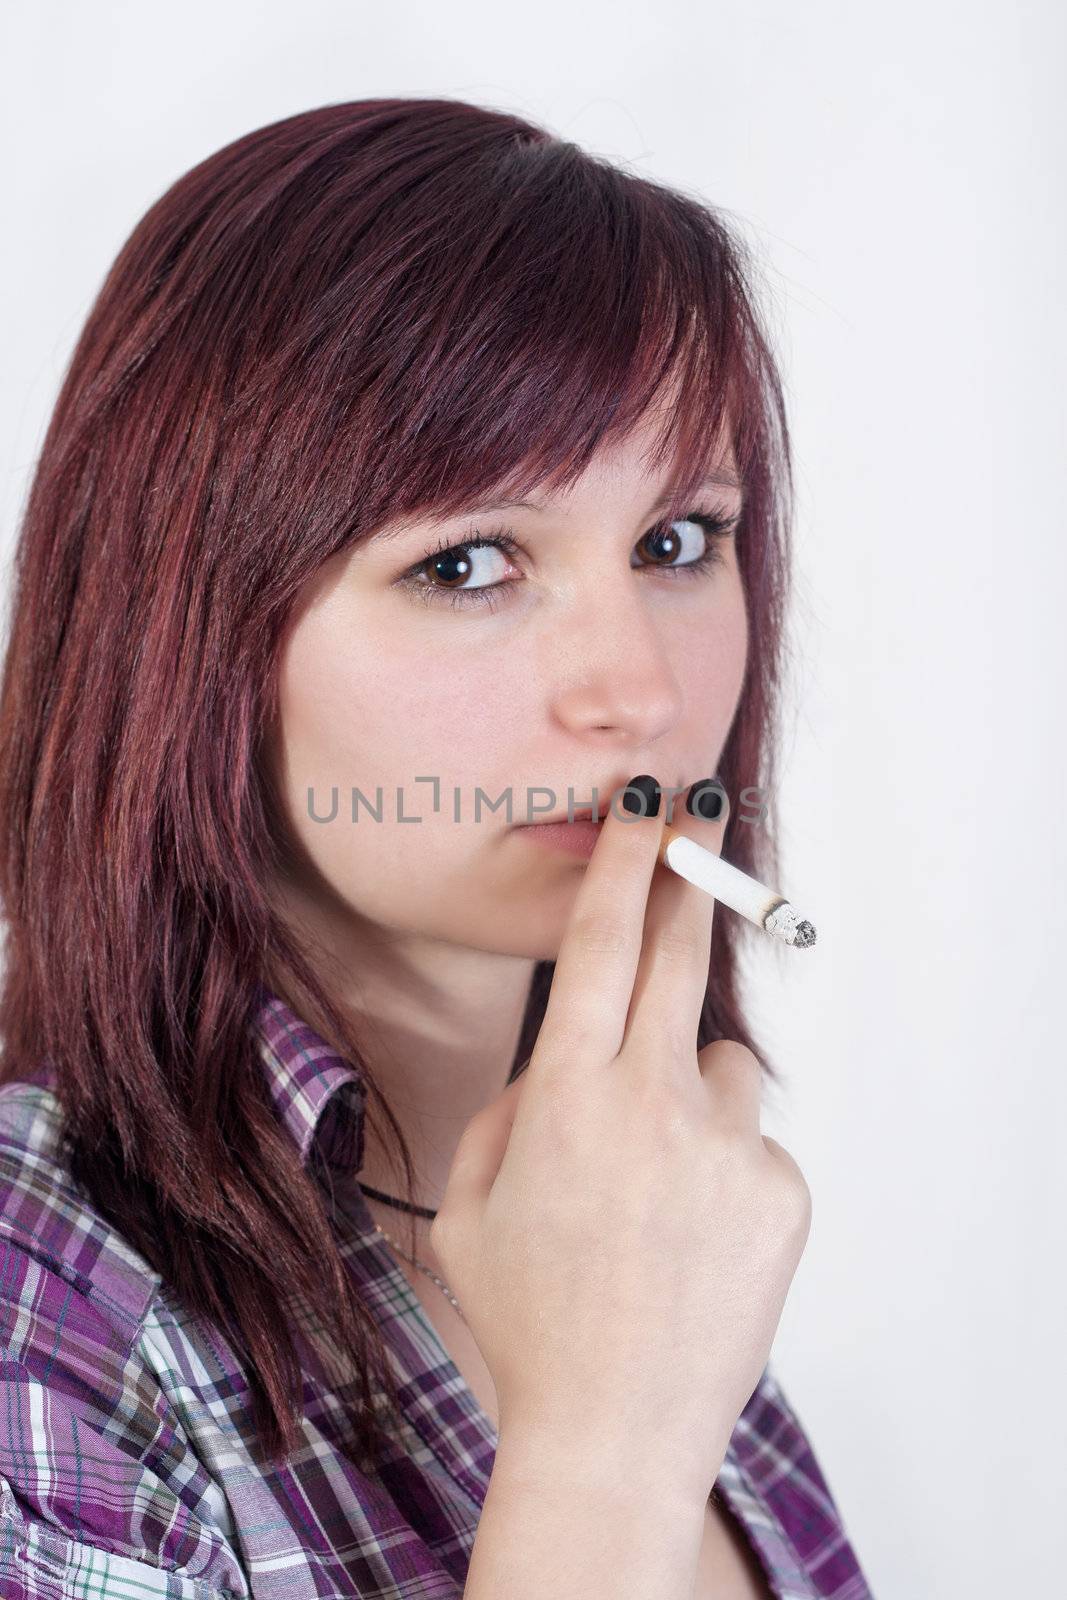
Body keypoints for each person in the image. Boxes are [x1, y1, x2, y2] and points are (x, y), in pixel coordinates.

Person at [0, 97, 875, 1598]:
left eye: (678, 544)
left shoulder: (637, 1229)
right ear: (188, 634)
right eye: (467, 563)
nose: (639, 693)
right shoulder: (53, 1315)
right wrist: (601, 1460)